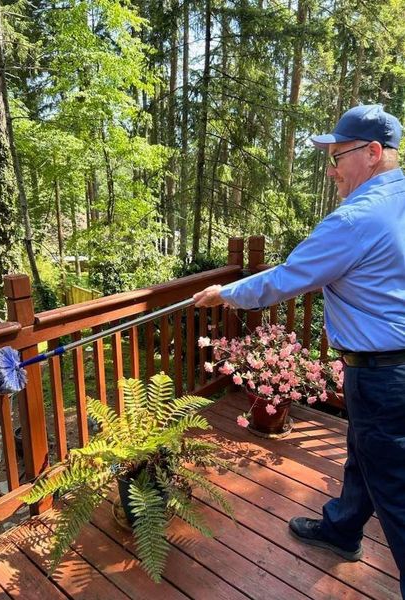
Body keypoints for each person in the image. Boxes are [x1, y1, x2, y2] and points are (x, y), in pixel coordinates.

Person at [193, 104, 405, 598]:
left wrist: (225, 292)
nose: (331, 168)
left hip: (383, 375)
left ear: (372, 153)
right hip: (385, 372)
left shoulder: (355, 219)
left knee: (395, 490)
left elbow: (286, 279)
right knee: (362, 453)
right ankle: (342, 527)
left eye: (338, 155)